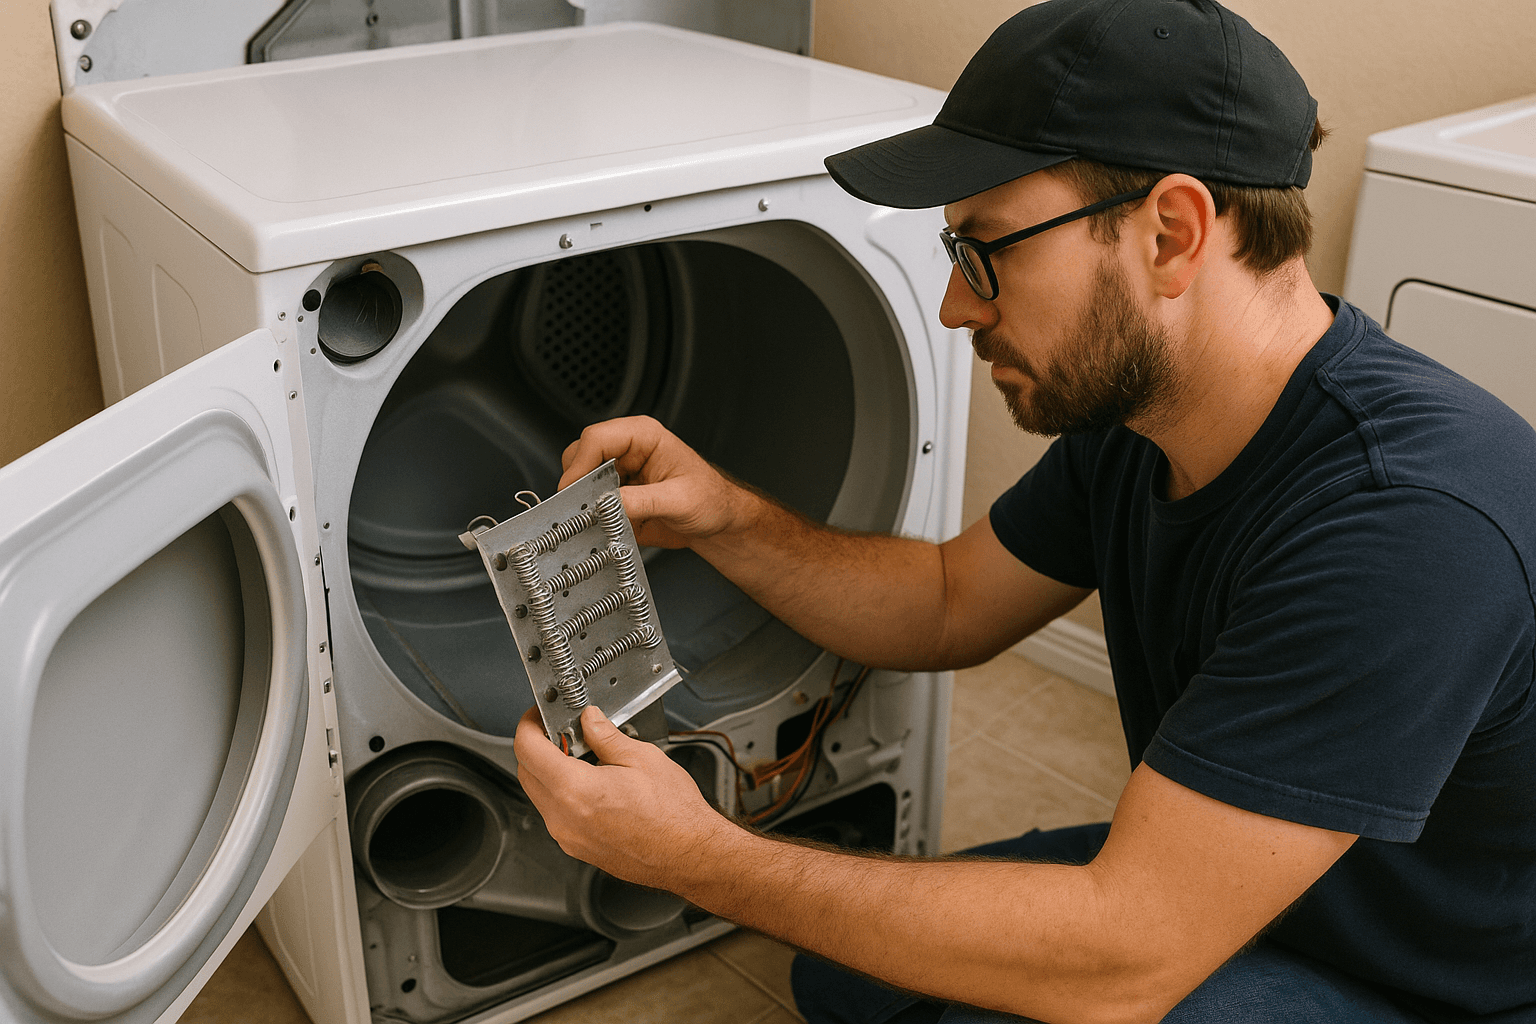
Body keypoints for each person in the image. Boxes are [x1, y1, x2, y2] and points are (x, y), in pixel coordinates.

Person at [512, 0, 1536, 1020]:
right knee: (847, 979)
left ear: (1170, 234)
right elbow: (951, 600)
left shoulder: (1408, 526)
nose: (958, 306)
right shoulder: (1140, 420)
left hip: (1434, 985)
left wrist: (701, 858)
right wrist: (722, 515)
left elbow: (1123, 959)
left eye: (983, 247)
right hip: (1261, 886)